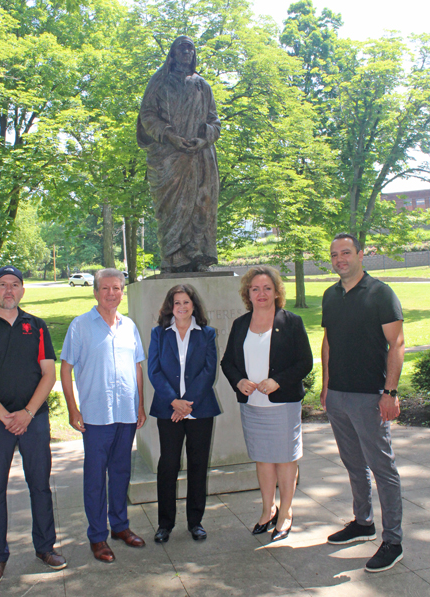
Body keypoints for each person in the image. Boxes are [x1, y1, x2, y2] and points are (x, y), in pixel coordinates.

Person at [0, 265, 66, 586]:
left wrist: (28, 413)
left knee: (41, 486)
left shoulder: (37, 326)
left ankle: (45, 548)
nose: (9, 290)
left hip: (34, 420)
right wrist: (6, 417)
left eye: (15, 284)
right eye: (2, 284)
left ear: (22, 290)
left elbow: (49, 374)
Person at [321, 233, 405, 573]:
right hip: (338, 396)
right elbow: (327, 342)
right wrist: (326, 388)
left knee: (382, 469)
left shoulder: (381, 293)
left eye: (345, 252)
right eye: (334, 254)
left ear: (359, 254)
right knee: (354, 464)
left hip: (370, 396)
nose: (340, 259)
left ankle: (394, 541)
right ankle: (363, 522)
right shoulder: (330, 294)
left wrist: (390, 392)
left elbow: (397, 344)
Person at [60, 268, 147, 563]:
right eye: (106, 288)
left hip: (126, 413)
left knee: (121, 472)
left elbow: (137, 367)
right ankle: (97, 536)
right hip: (96, 416)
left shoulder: (129, 325)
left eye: (117, 288)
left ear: (123, 292)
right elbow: (66, 368)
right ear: (95, 292)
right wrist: (73, 408)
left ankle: (120, 526)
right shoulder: (80, 326)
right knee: (96, 478)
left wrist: (140, 405)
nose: (112, 293)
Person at [221, 266, 313, 542]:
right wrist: (239, 381)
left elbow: (304, 362)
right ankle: (267, 509)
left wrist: (278, 381)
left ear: (276, 292)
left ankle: (285, 512)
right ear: (248, 293)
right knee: (263, 459)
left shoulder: (291, 322)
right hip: (253, 406)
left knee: (285, 460)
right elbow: (228, 362)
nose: (261, 293)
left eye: (267, 288)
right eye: (255, 289)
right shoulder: (240, 324)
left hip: (282, 404)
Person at [137, 36, 221, 273]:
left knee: (201, 205)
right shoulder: (159, 82)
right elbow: (147, 115)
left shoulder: (202, 86)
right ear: (172, 54)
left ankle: (197, 256)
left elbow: (214, 121)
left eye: (191, 48)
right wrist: (169, 136)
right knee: (171, 209)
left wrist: (204, 139)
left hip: (200, 158)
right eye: (181, 48)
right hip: (169, 158)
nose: (187, 51)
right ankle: (172, 257)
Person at [148, 284, 220, 543]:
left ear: (194, 305)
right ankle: (165, 524)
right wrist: (173, 402)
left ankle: (195, 522)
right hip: (168, 411)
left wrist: (187, 403)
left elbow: (209, 372)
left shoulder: (207, 334)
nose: (181, 307)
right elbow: (154, 371)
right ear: (170, 307)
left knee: (198, 465)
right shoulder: (159, 334)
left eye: (186, 302)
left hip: (200, 409)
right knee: (168, 465)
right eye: (176, 303)